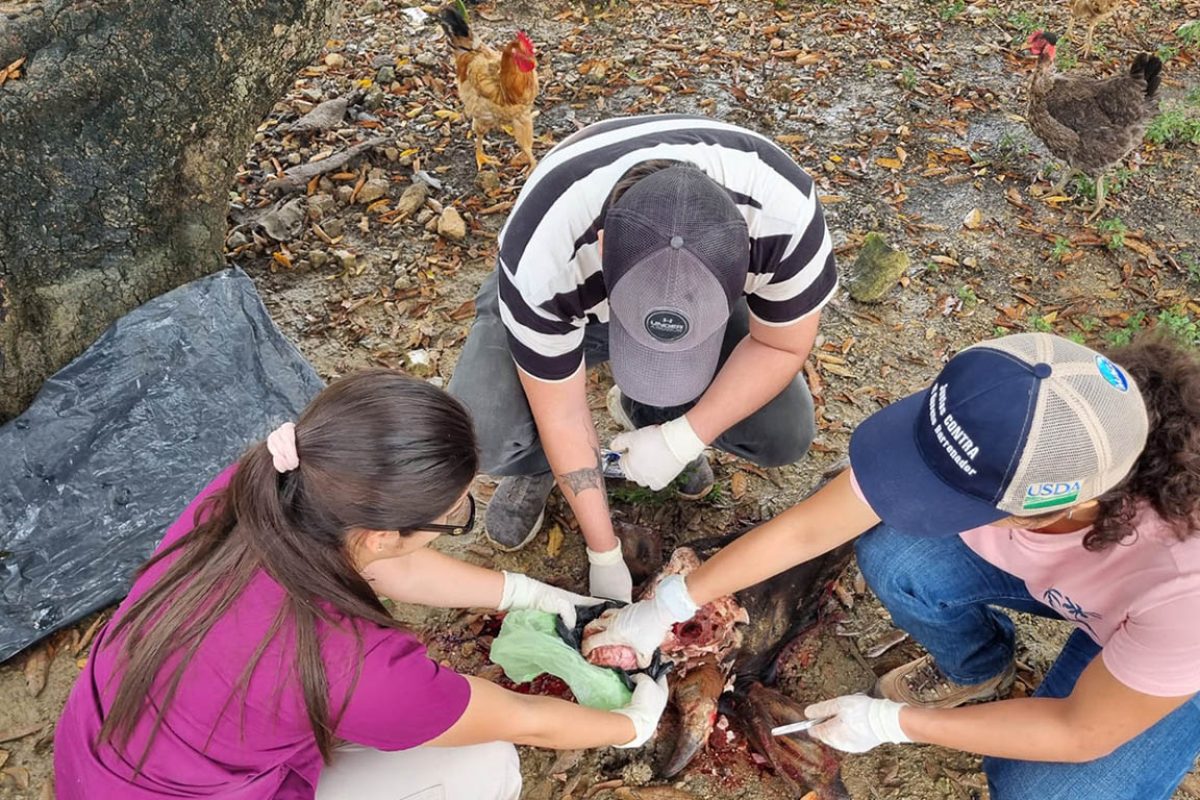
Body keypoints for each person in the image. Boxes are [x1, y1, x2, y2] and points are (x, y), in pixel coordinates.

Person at [584, 332, 1200, 800]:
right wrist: (670, 604)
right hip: (1083, 580)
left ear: (1064, 506)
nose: (929, 498)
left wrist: (897, 723)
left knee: (1040, 790)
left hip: (1165, 644)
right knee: (897, 552)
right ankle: (977, 668)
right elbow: (808, 528)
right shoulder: (1018, 413)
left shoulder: (1184, 582)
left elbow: (1081, 730)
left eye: (957, 498)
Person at [54, 370, 668, 800]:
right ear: (379, 534)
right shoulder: (352, 664)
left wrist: (528, 593)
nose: (458, 521)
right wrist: (633, 724)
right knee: (485, 765)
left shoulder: (265, 487)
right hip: (185, 790)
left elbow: (386, 563)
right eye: (454, 516)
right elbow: (523, 720)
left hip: (100, 752)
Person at [449, 114, 837, 603]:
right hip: (570, 296)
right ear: (603, 245)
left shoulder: (784, 219)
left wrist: (682, 437)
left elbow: (781, 345)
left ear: (745, 261)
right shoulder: (543, 257)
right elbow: (563, 414)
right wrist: (604, 552)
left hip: (705, 297)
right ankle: (538, 466)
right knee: (481, 432)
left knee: (782, 431)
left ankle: (651, 416)